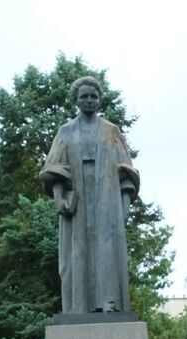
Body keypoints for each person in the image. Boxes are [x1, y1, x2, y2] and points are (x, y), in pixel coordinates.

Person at [41, 75, 139, 314]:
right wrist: (59, 198)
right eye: (84, 96)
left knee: (106, 249)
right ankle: (78, 307)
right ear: (76, 100)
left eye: (93, 97)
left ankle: (110, 303)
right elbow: (54, 169)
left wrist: (123, 207)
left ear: (99, 100)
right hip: (77, 200)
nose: (89, 101)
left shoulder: (111, 131)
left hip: (107, 196)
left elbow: (127, 173)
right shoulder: (65, 131)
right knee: (78, 251)